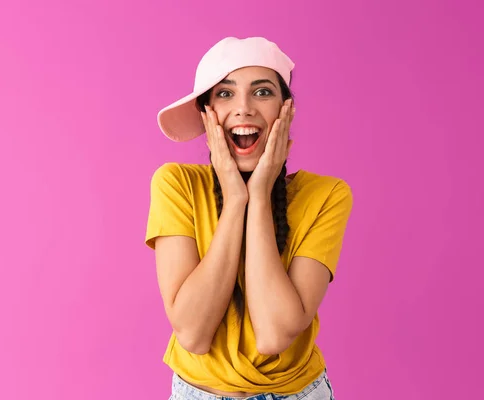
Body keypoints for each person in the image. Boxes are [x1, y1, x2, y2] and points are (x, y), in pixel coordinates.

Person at [145, 36, 353, 400]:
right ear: (206, 113)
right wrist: (235, 197)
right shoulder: (175, 185)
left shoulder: (327, 194)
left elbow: (274, 334)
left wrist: (258, 196)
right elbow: (193, 334)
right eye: (225, 94)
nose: (243, 109)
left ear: (285, 111)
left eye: (262, 92)